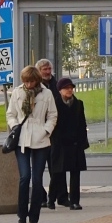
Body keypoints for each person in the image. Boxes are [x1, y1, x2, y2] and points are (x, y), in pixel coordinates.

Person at [5, 65, 58, 223]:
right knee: (24, 177)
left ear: (37, 80)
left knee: (37, 179)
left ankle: (34, 217)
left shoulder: (46, 93)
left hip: (40, 140)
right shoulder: (17, 92)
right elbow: (11, 114)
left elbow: (53, 115)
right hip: (21, 139)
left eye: (32, 81)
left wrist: (46, 131)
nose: (29, 85)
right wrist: (14, 126)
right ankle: (22, 214)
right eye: (26, 81)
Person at [50, 77, 88, 211]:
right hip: (60, 144)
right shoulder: (54, 104)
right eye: (66, 88)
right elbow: (52, 124)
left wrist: (83, 142)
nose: (70, 90)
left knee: (75, 173)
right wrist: (54, 140)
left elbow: (82, 124)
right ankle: (52, 198)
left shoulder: (78, 104)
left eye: (71, 88)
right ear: (60, 90)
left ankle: (75, 201)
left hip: (75, 144)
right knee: (58, 172)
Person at [35, 58, 65, 209]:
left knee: (57, 166)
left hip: (55, 131)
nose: (47, 72)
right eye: (44, 70)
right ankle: (41, 197)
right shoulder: (34, 86)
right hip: (38, 132)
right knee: (38, 166)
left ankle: (61, 196)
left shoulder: (56, 85)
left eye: (49, 69)